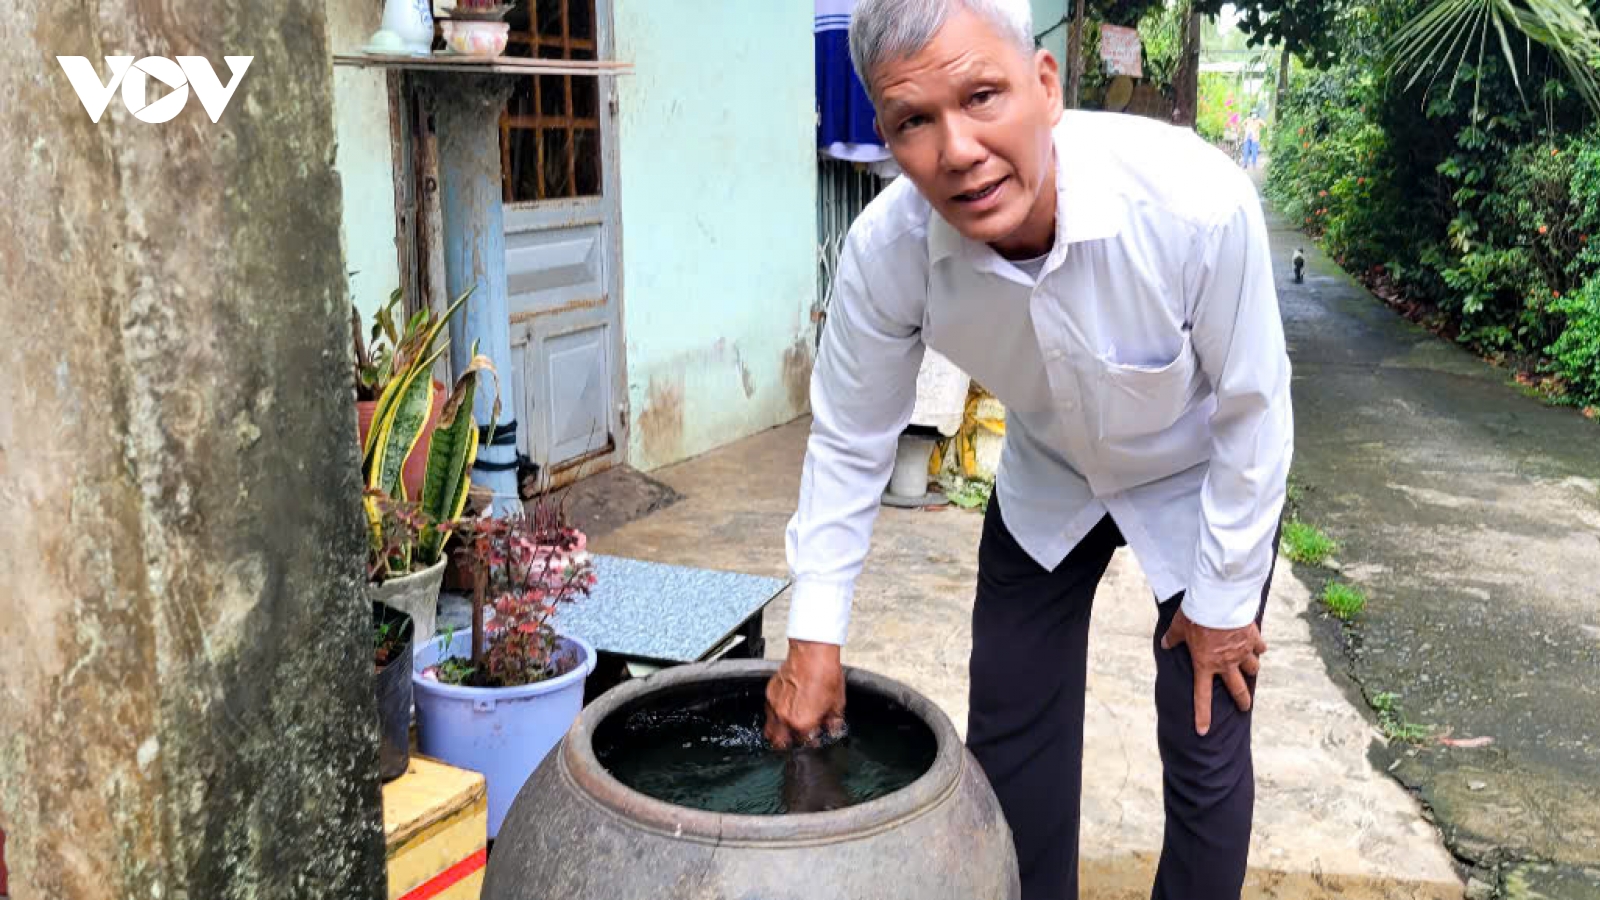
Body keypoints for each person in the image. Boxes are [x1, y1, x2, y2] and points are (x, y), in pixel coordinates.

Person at [763, 1, 1293, 899]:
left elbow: (1254, 409)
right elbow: (852, 443)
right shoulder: (886, 254)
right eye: (913, 123)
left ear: (1044, 86)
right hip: (1049, 477)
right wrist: (814, 637)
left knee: (1205, 733)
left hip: (1199, 479)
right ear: (888, 140)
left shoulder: (1193, 207)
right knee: (1010, 730)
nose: (958, 150)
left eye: (981, 96)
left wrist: (1225, 601)